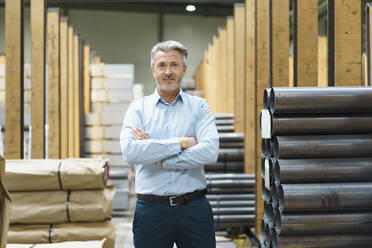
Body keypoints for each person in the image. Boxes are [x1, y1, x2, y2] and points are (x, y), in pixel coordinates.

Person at [120, 40, 219, 248]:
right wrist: (181, 143)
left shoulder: (199, 108)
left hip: (194, 208)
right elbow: (130, 151)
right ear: (153, 69)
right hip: (151, 210)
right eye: (162, 65)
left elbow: (210, 151)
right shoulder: (138, 109)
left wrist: (159, 158)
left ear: (184, 69)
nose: (168, 72)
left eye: (174, 65)